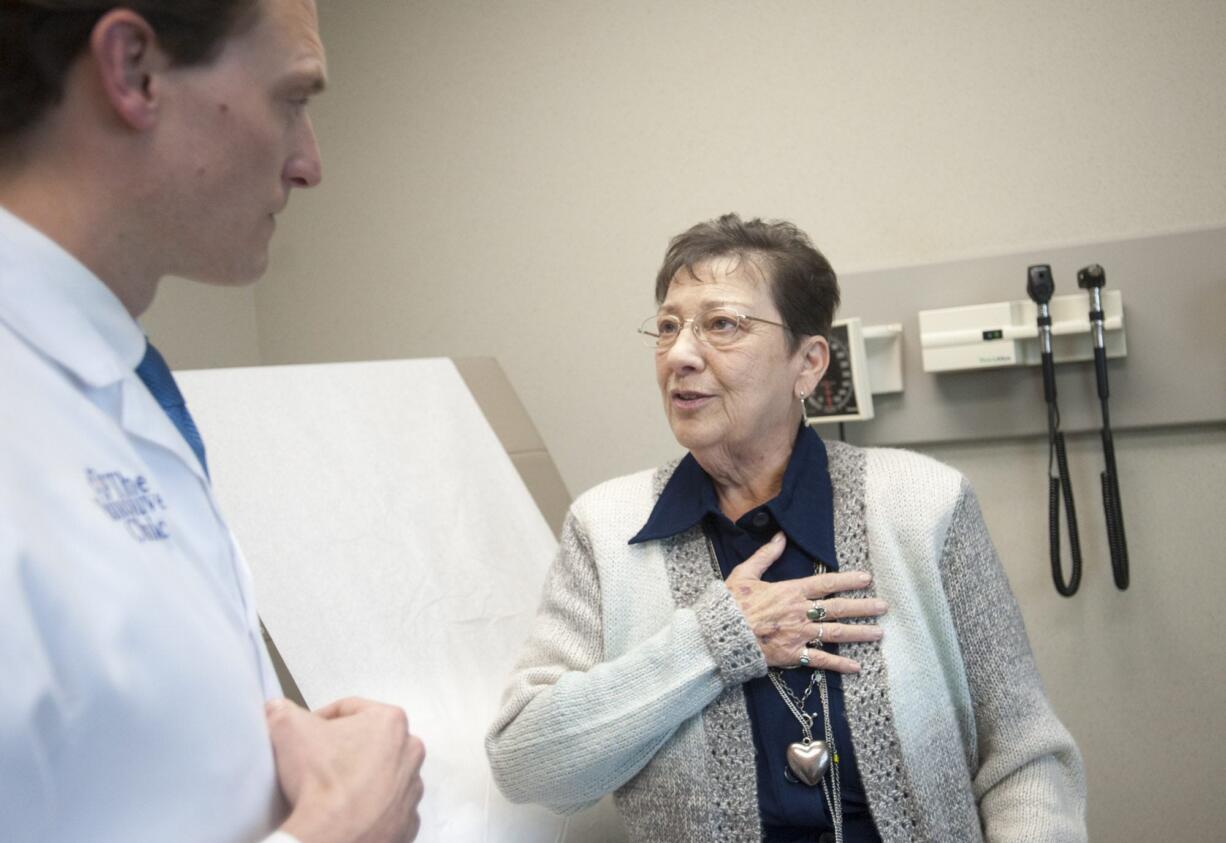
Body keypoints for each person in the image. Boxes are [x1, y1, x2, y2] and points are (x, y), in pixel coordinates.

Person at [487, 214, 1086, 842]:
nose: (681, 355)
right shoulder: (606, 527)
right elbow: (528, 766)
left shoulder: (924, 504)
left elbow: (1025, 757)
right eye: (668, 328)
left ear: (808, 364)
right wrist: (712, 643)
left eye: (722, 325)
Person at [0, 2, 424, 841]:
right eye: (293, 98)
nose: (310, 165)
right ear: (134, 70)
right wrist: (340, 831)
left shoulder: (119, 389)